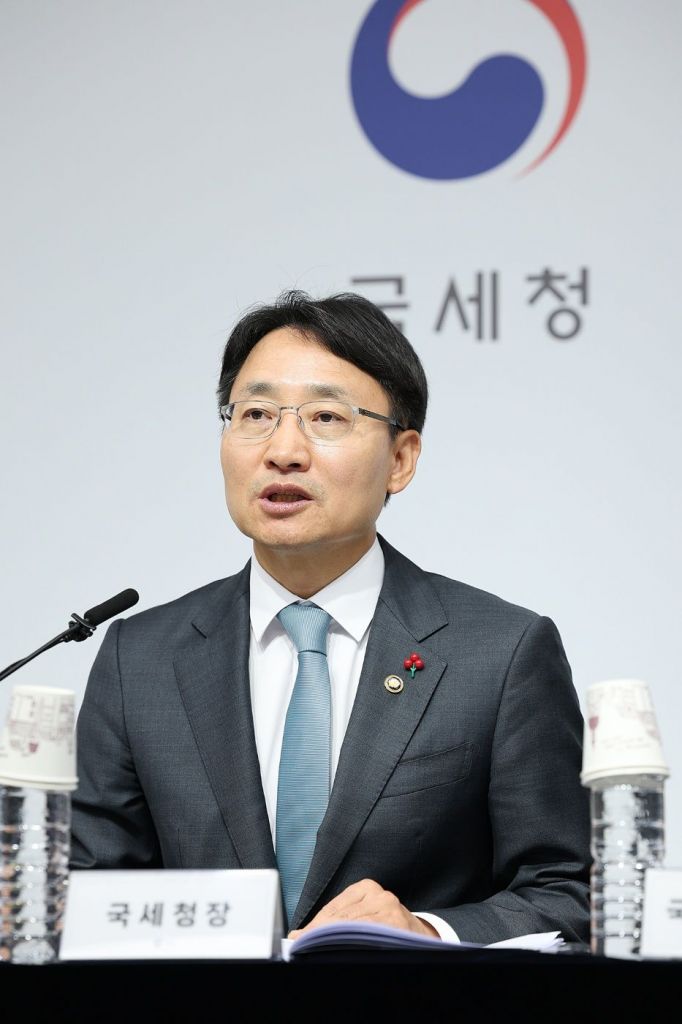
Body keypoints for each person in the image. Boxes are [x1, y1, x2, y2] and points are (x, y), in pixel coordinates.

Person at [70, 289, 591, 945]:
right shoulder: (139, 658)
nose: (283, 450)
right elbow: (89, 896)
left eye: (325, 417)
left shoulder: (502, 652)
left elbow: (566, 893)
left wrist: (426, 933)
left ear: (400, 459)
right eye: (255, 414)